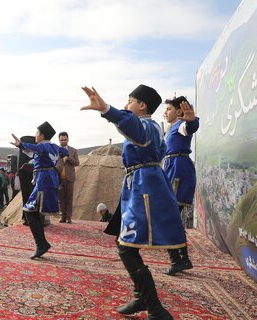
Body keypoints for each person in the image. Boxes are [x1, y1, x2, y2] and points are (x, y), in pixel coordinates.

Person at [81, 84, 183, 319]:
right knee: (124, 242)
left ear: (142, 105)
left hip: (143, 189)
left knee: (126, 247)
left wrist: (107, 109)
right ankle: (142, 298)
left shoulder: (146, 126)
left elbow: (131, 125)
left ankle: (153, 305)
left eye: (129, 101)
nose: (126, 105)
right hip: (136, 186)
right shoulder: (153, 129)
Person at [10, 121, 68, 259]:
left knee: (29, 210)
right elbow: (64, 151)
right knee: (33, 211)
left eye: (36, 133)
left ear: (41, 136)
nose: (35, 135)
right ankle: (41, 243)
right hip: (49, 178)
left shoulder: (42, 147)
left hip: (43, 179)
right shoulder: (53, 147)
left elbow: (32, 147)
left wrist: (20, 144)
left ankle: (41, 244)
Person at [162, 96, 199, 276]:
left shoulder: (181, 126)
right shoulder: (169, 129)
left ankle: (178, 259)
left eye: (169, 109)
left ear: (178, 111)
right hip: (170, 170)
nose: (165, 112)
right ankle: (181, 258)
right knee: (172, 218)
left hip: (179, 171)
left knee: (169, 217)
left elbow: (190, 127)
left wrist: (191, 119)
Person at [55, 131, 80, 223]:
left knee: (69, 198)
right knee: (60, 198)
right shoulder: (55, 150)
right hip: (59, 178)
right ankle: (62, 216)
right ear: (59, 140)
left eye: (65, 140)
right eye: (62, 140)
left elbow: (77, 163)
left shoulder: (73, 150)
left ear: (68, 139)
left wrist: (69, 158)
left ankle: (69, 217)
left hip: (70, 178)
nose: (63, 141)